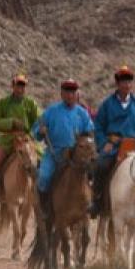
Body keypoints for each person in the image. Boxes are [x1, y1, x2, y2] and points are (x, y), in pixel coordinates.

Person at [91, 65, 135, 219]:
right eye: (123, 81)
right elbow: (98, 127)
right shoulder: (107, 104)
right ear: (117, 83)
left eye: (129, 81)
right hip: (115, 145)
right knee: (101, 165)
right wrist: (104, 143)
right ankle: (96, 200)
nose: (127, 84)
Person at [32, 79, 95, 226]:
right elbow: (36, 129)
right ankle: (45, 209)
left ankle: (91, 204)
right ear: (61, 93)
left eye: (73, 92)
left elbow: (90, 131)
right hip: (55, 153)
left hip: (77, 154)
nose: (70, 95)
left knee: (93, 173)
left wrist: (86, 141)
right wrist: (40, 131)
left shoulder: (82, 114)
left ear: (77, 94)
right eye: (67, 92)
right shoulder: (51, 111)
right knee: (44, 177)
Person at [0, 74, 40, 201]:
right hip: (8, 140)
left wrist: (33, 132)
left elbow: (39, 121)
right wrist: (10, 123)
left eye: (23, 86)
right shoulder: (3, 103)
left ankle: (40, 194)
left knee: (41, 162)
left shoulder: (31, 103)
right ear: (13, 86)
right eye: (18, 85)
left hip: (26, 140)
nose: (21, 88)